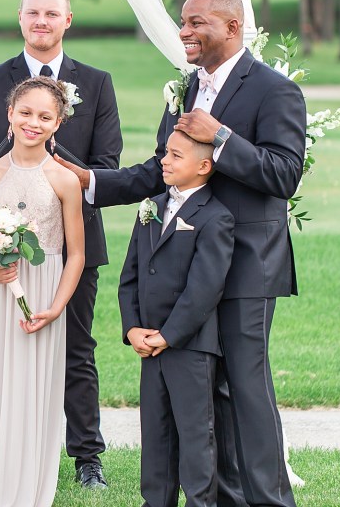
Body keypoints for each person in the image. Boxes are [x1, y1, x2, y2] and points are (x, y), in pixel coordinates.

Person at [57, 0, 306, 507]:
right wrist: (91, 182)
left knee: (245, 387)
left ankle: (270, 500)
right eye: (183, 21)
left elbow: (284, 175)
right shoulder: (185, 88)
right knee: (205, 391)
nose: (183, 31)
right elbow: (162, 169)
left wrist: (221, 137)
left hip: (247, 266)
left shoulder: (274, 89)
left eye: (196, 22)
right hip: (186, 266)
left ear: (232, 28)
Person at [0, 0, 122, 488]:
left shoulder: (96, 82)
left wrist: (52, 162)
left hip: (71, 243)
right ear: (20, 17)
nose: (41, 21)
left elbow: (106, 164)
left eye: (52, 14)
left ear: (67, 21)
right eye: (33, 12)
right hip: (6, 241)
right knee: (5, 349)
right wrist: (3, 233)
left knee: (76, 348)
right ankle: (0, 451)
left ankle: (86, 456)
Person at [0, 76, 85, 506]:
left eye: (45, 117)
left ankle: (25, 484)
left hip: (45, 292)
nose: (34, 122)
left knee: (33, 389)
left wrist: (56, 307)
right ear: (10, 114)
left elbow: (76, 255)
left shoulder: (64, 180)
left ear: (58, 123)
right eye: (26, 113)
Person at [118, 129, 234, 507]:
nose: (164, 161)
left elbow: (205, 288)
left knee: (195, 433)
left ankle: (200, 502)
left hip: (190, 346)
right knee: (155, 432)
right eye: (166, 152)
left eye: (175, 156)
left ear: (204, 166)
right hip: (149, 343)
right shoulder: (150, 207)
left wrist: (169, 335)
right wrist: (132, 328)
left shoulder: (216, 217)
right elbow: (131, 275)